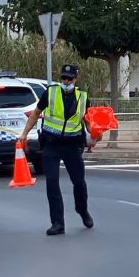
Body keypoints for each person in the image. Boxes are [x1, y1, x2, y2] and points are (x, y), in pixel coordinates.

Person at [19, 63, 95, 236]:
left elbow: (88, 122)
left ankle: (82, 210)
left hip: (72, 145)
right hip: (51, 144)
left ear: (76, 79)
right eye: (63, 78)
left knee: (79, 183)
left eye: (70, 78)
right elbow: (36, 113)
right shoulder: (50, 93)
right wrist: (24, 133)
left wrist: (96, 135)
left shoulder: (83, 97)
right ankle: (57, 223)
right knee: (52, 183)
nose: (66, 81)